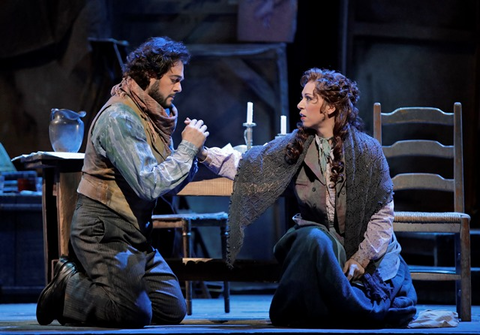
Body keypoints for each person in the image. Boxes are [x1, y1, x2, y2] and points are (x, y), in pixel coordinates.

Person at [198, 68, 417, 328]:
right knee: (312, 238)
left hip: (365, 254)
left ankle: (341, 302)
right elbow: (249, 164)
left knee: (374, 306)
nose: (300, 104)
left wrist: (362, 257)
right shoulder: (297, 145)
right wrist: (201, 153)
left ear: (331, 107)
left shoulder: (368, 150)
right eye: (302, 98)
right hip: (323, 250)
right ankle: (308, 304)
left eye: (309, 98)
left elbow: (382, 213)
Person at [36, 36, 209, 328]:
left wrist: (190, 154)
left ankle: (116, 291)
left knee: (170, 308)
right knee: (131, 313)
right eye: (174, 79)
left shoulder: (151, 117)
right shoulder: (120, 117)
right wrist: (187, 149)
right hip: (103, 229)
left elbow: (167, 184)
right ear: (151, 75)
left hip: (135, 233)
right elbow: (149, 185)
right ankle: (67, 287)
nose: (180, 87)